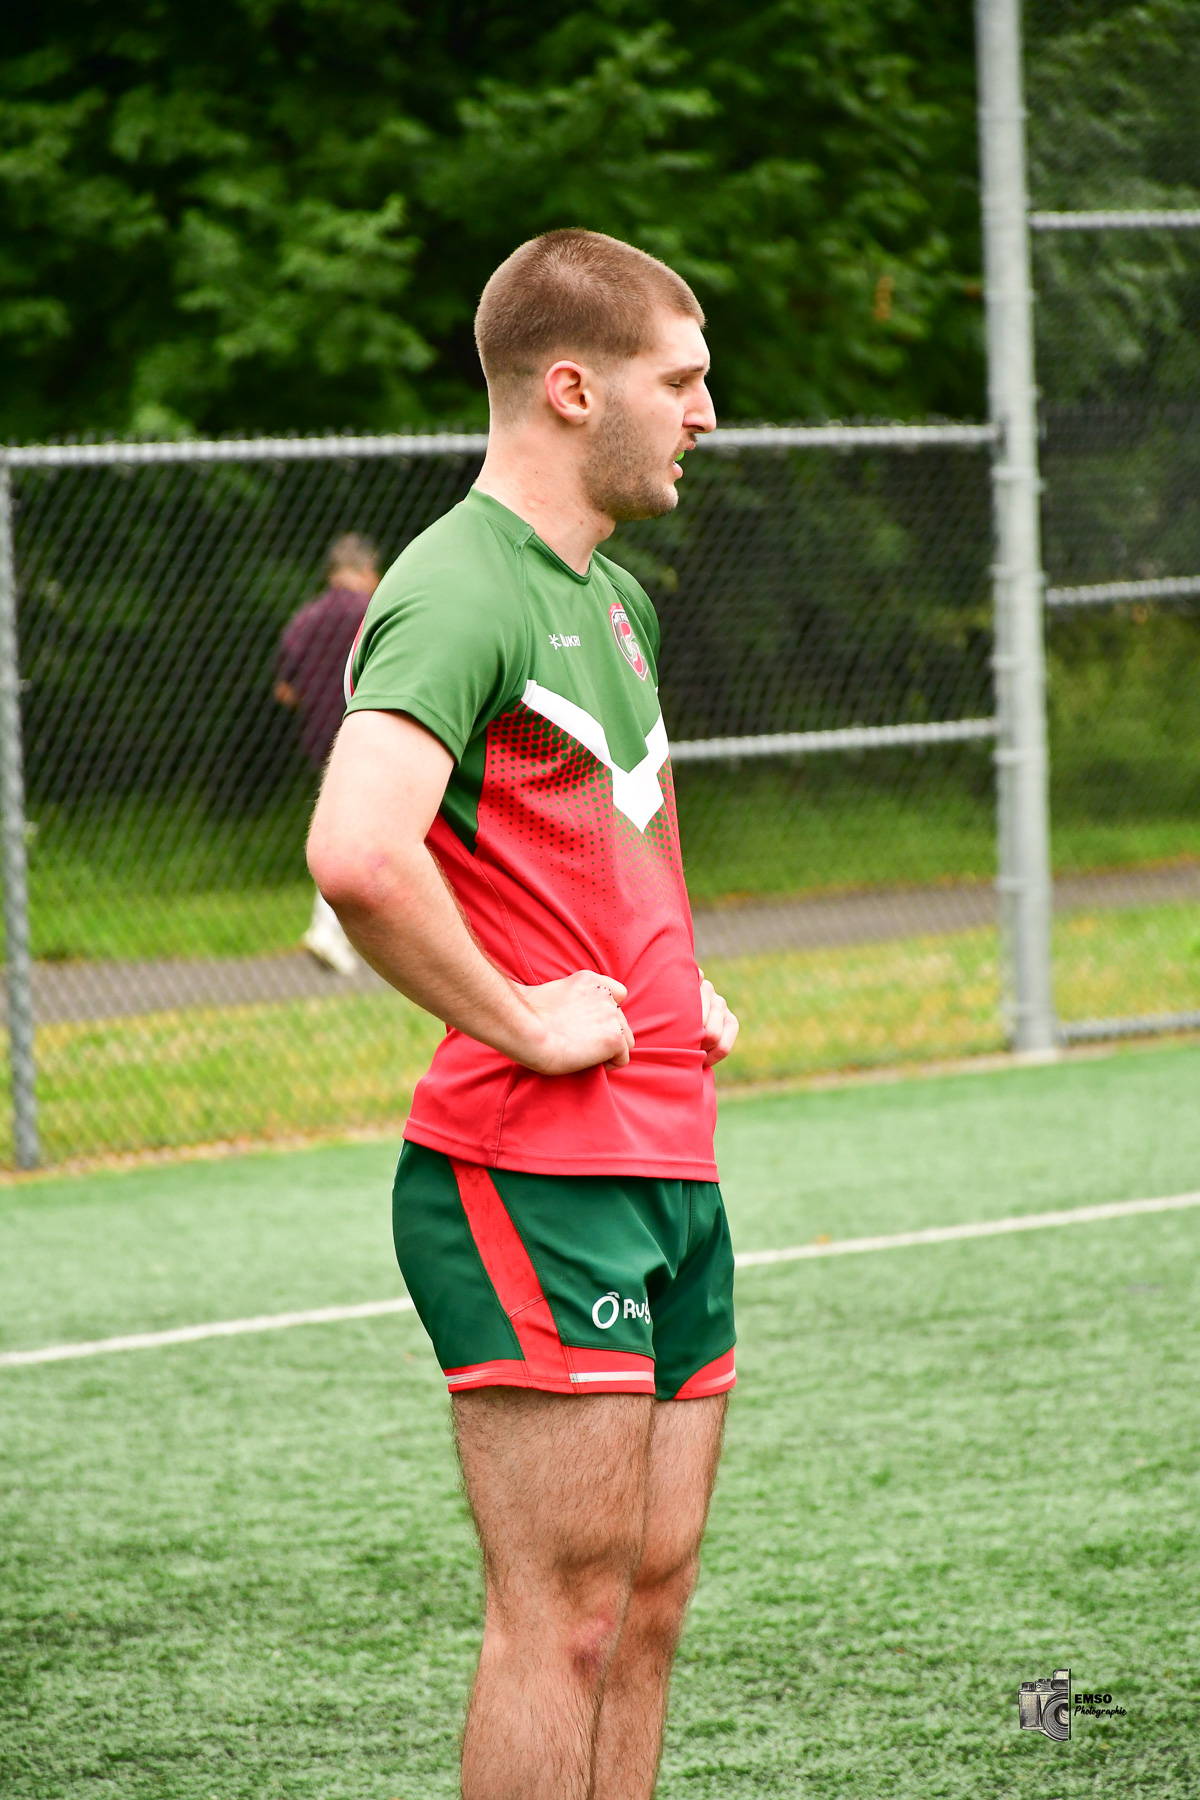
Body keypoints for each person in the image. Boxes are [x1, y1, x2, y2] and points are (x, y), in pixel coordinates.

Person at [307, 229, 739, 1800]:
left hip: (664, 1157)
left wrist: (677, 994)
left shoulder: (607, 595)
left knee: (645, 1607)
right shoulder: (456, 583)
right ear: (572, 388)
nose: (707, 412)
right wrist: (526, 1022)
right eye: (679, 380)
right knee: (559, 1619)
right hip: (529, 1171)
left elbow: (571, 852)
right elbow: (358, 854)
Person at [275, 532, 380, 974]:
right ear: (363, 570)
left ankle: (339, 934)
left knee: (351, 833)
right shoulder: (374, 613)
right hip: (375, 738)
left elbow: (285, 690)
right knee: (363, 837)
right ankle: (330, 932)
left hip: (324, 743)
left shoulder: (305, 618)